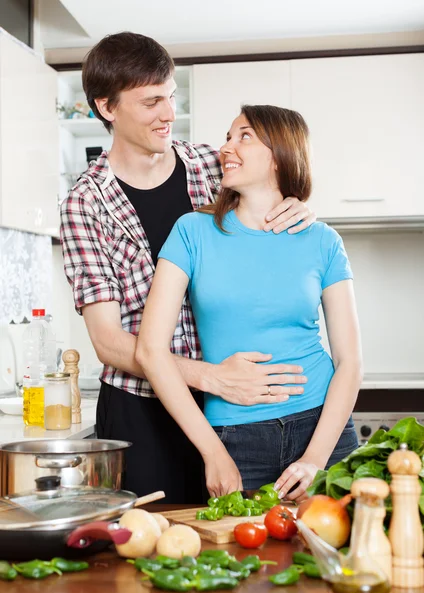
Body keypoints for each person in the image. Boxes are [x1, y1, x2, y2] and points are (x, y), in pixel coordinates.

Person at [59, 32, 316, 503]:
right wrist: (207, 374)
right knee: (151, 547)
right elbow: (109, 342)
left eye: (172, 95)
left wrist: (300, 206)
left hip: (228, 407)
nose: (169, 113)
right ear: (107, 107)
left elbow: (276, 182)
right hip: (142, 411)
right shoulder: (85, 204)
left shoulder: (210, 166)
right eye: (152, 101)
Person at [136, 104, 363, 502]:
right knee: (246, 562)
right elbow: (150, 350)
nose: (226, 147)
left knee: (335, 559)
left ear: (280, 154)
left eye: (244, 136)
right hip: (235, 438)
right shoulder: (192, 232)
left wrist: (314, 459)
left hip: (322, 428)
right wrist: (213, 452)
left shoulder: (323, 240)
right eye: (227, 137)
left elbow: (350, 361)